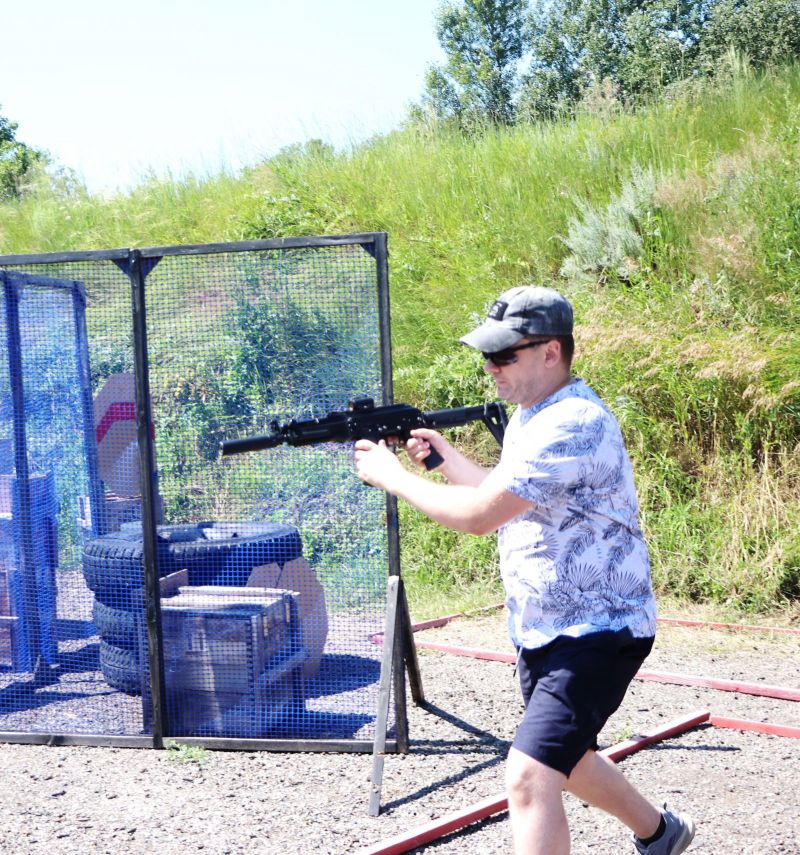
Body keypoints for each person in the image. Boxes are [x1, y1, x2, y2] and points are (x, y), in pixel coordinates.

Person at [354, 285, 695, 855]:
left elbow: (479, 517)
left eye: (504, 355)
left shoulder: (574, 421)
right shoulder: (532, 417)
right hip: (545, 627)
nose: (491, 367)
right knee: (570, 758)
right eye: (487, 355)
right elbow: (505, 495)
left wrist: (394, 478)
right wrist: (444, 459)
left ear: (551, 352)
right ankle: (661, 833)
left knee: (530, 775)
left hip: (598, 629)